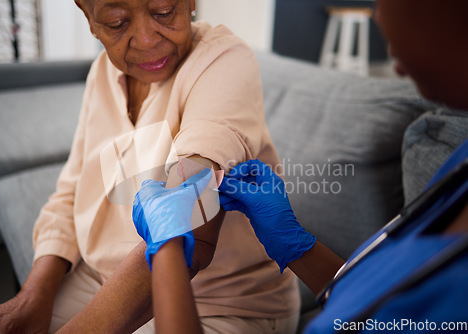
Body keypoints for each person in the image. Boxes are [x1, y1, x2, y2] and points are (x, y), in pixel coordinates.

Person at [130, 0, 468, 333]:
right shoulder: (459, 165)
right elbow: (377, 307)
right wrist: (299, 247)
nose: (378, 17)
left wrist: (169, 248)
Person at [0, 0, 300, 333]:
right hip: (100, 275)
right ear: (89, 19)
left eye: (164, 12)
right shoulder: (103, 72)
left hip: (220, 302)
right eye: (116, 23)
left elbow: (189, 216)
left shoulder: (224, 61)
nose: (145, 40)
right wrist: (32, 294)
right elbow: (70, 189)